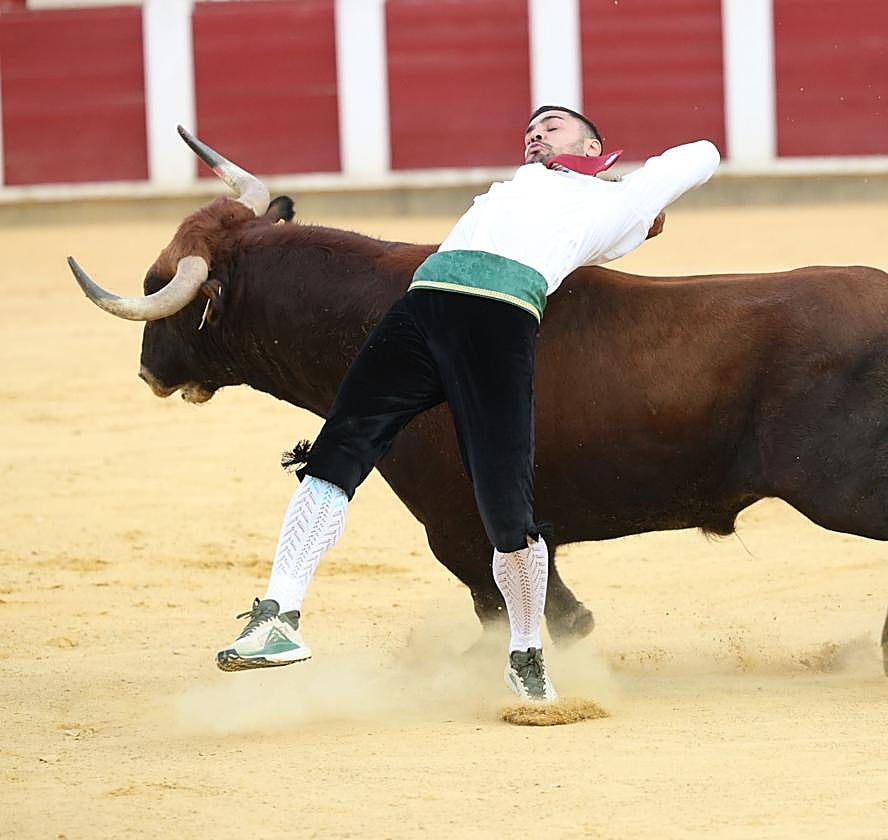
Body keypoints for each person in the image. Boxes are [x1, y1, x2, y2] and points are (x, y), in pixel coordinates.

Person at [215, 106, 721, 701]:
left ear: (593, 142)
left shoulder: (619, 203)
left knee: (506, 504)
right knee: (337, 449)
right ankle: (278, 618)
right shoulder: (518, 187)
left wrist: (624, 185)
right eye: (530, 128)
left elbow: (704, 151)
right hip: (421, 304)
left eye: (553, 124)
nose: (536, 132)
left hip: (499, 318)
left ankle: (526, 651)